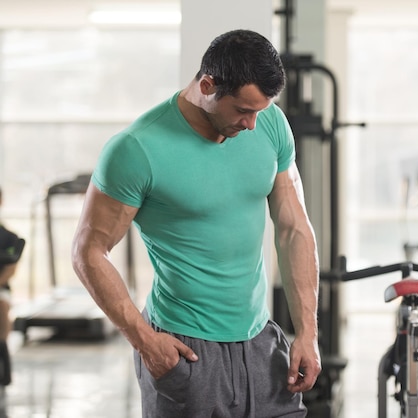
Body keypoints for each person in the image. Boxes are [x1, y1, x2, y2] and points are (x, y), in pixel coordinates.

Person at [71, 29, 321, 417]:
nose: (253, 124)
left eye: (260, 110)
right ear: (207, 86)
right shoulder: (137, 149)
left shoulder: (271, 124)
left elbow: (294, 229)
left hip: (262, 343)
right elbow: (88, 251)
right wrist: (144, 340)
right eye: (242, 110)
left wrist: (307, 331)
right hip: (185, 348)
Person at [0, 187, 24, 387]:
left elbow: (10, 269)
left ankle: (5, 372)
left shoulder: (9, 238)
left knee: (1, 308)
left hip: (0, 290)